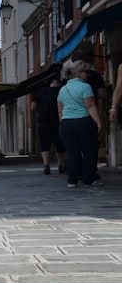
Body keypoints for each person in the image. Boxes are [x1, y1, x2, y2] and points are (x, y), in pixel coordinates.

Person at [57, 60, 101, 188]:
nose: (88, 74)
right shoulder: (85, 87)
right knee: (89, 151)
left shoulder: (62, 89)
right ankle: (88, 179)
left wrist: (63, 121)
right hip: (83, 121)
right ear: (78, 73)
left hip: (66, 123)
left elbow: (60, 110)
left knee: (71, 152)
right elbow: (90, 105)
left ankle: (72, 180)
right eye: (86, 72)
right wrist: (98, 121)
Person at [31, 78, 66, 175]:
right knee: (60, 144)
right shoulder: (61, 91)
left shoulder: (40, 92)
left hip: (43, 122)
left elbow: (32, 107)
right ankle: (60, 164)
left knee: (45, 144)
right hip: (58, 121)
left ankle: (46, 165)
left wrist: (41, 109)